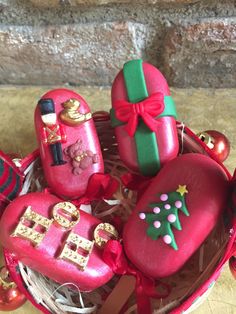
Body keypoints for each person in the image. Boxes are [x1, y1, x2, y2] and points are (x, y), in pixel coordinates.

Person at [38, 98, 67, 166]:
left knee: (59, 150)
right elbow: (44, 136)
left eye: (50, 116)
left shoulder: (58, 126)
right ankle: (56, 161)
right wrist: (45, 141)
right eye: (46, 117)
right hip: (51, 141)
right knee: (53, 151)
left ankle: (60, 160)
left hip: (58, 139)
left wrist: (63, 137)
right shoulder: (45, 129)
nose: (49, 119)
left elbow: (63, 132)